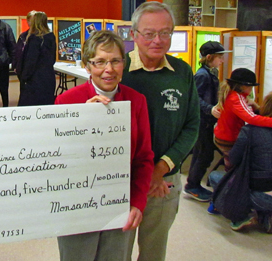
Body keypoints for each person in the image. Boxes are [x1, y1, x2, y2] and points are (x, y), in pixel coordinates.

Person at [55, 30, 154, 261]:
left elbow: (143, 158)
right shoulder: (66, 101)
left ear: (123, 64)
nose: (108, 69)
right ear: (87, 66)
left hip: (119, 205)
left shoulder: (136, 101)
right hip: (77, 208)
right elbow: (59, 159)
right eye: (99, 62)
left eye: (115, 61)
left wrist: (137, 203)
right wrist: (83, 120)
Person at [120, 2, 200, 261]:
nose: (158, 40)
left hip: (164, 182)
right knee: (116, 251)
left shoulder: (182, 72)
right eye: (149, 33)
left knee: (154, 252)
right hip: (122, 182)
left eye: (165, 33)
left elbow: (192, 125)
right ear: (134, 35)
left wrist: (159, 170)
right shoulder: (117, 72)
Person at [209, 89, 272, 233]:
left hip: (259, 195)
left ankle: (241, 216)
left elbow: (234, 158)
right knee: (262, 184)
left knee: (215, 177)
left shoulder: (250, 130)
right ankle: (266, 216)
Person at [213, 68, 272, 171]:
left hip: (223, 136)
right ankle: (230, 183)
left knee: (230, 164)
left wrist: (254, 105)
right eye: (251, 87)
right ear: (244, 86)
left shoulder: (231, 94)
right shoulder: (236, 99)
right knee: (234, 169)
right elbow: (251, 118)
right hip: (229, 139)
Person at [184, 41, 230, 202]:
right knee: (204, 154)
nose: (222, 60)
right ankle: (192, 185)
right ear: (209, 57)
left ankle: (192, 184)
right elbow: (195, 98)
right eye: (219, 57)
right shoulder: (202, 75)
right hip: (203, 122)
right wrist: (210, 109)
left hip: (207, 122)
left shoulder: (210, 73)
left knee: (203, 153)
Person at [16, 11, 56, 106]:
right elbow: (52, 59)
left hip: (35, 80)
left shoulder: (35, 39)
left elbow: (31, 61)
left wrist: (23, 77)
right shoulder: (51, 36)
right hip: (49, 77)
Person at [13, 10, 37, 80]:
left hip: (35, 71)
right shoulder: (23, 36)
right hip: (22, 69)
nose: (31, 23)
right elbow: (17, 51)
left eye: (33, 20)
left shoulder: (41, 37)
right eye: (29, 20)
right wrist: (15, 66)